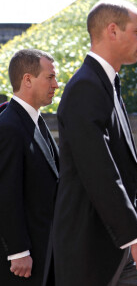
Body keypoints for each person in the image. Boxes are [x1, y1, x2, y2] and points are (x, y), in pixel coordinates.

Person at [43, 0, 137, 286]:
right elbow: (100, 172)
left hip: (114, 249)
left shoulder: (106, 84)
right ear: (112, 30)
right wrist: (136, 238)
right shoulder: (86, 87)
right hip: (90, 250)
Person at [0, 49, 59, 286]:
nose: (56, 84)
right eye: (50, 77)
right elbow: (6, 193)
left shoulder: (35, 120)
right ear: (27, 79)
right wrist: (18, 251)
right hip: (22, 263)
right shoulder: (9, 127)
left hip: (45, 252)